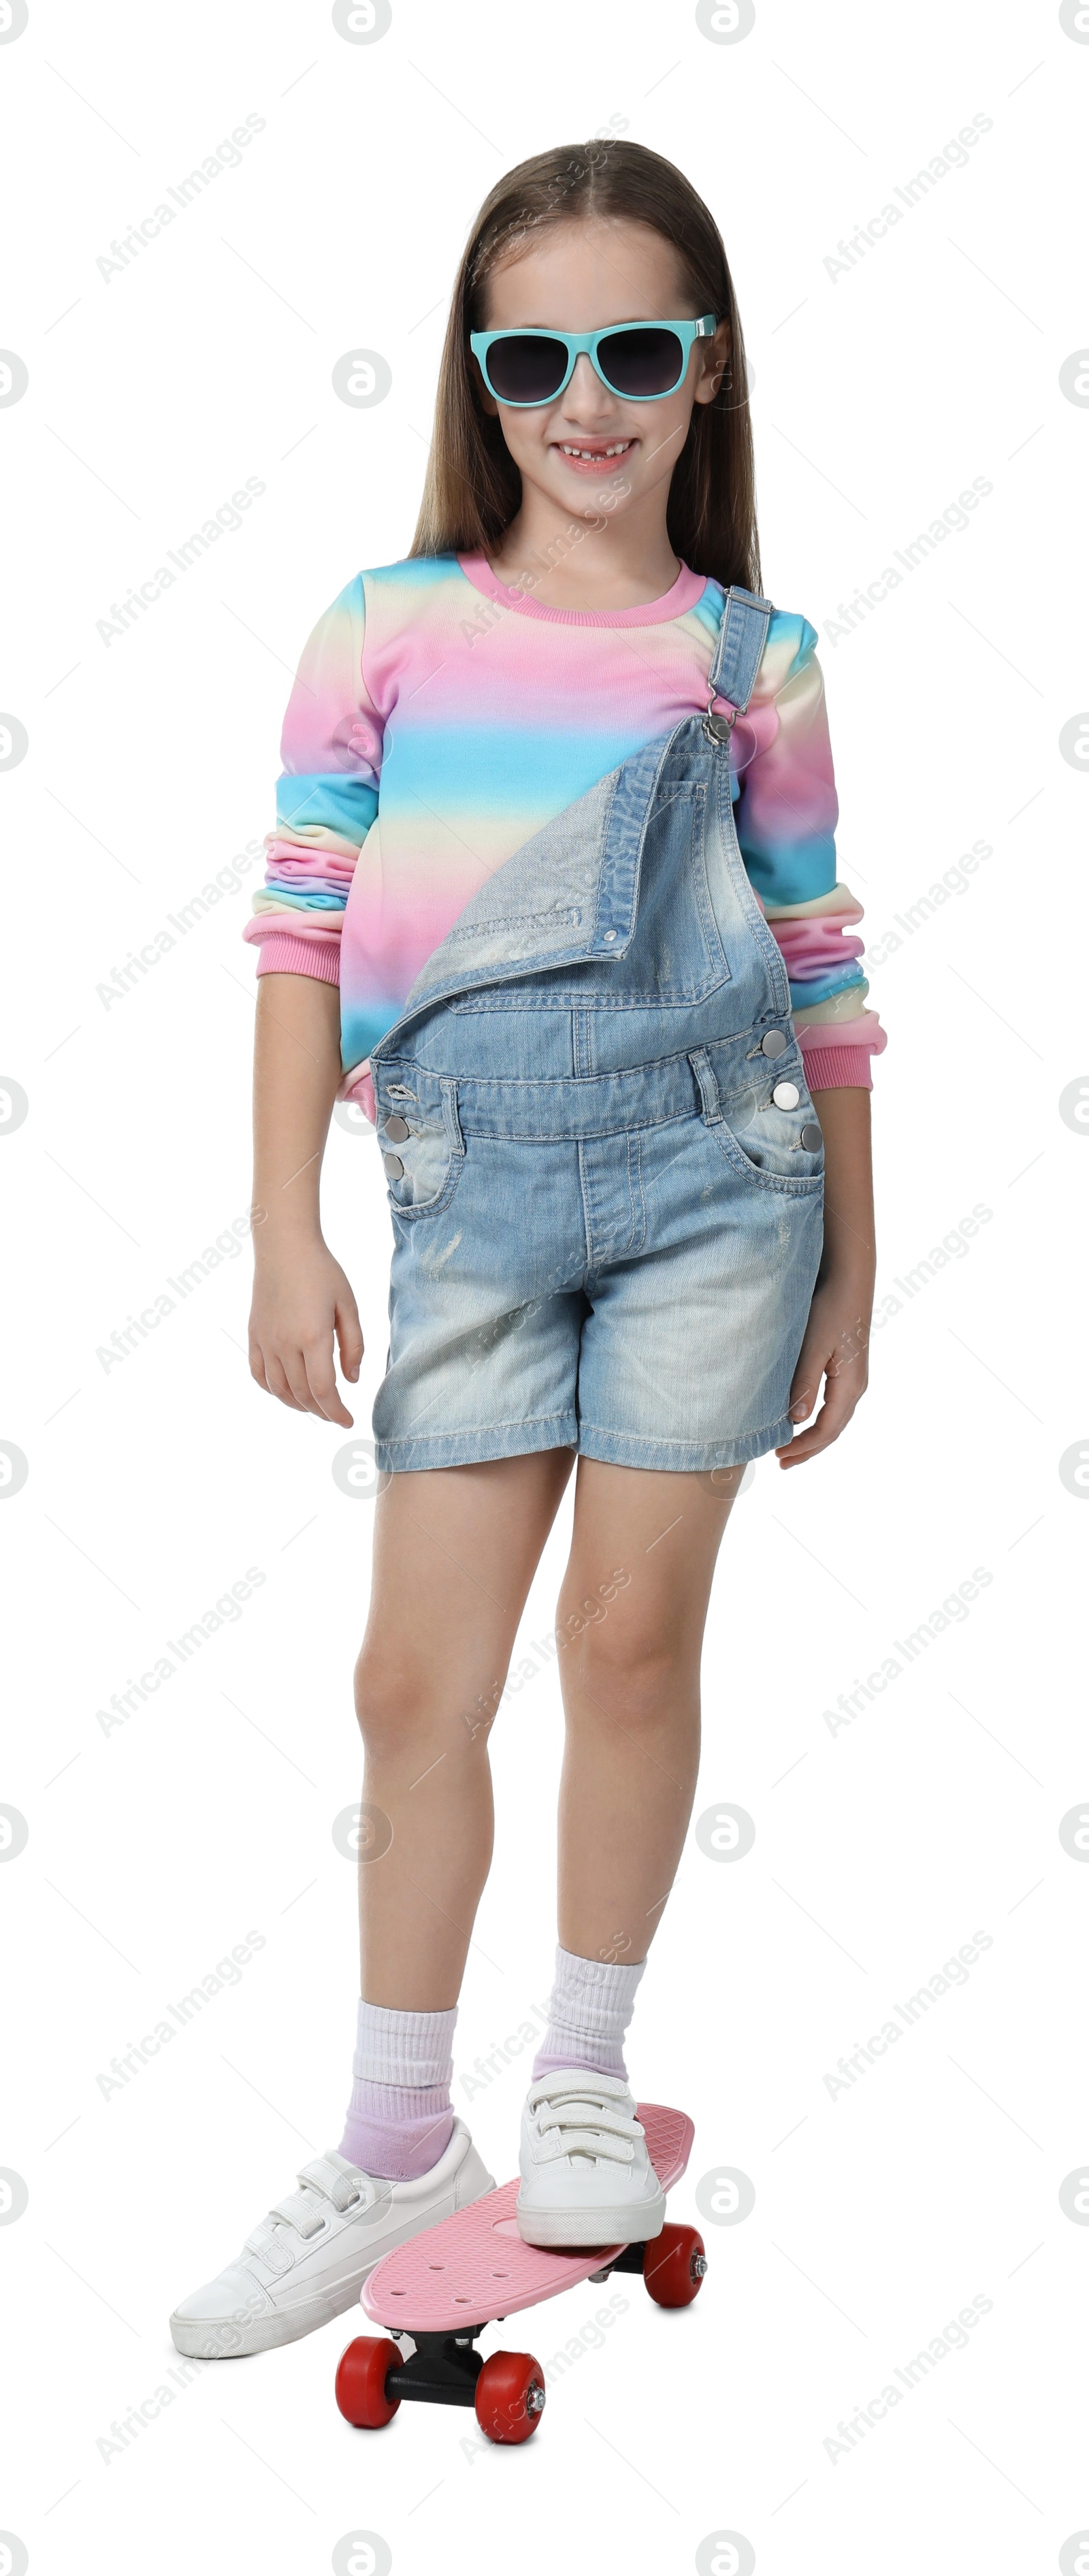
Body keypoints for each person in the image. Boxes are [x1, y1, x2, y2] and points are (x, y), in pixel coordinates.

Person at [170, 137, 884, 2360]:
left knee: (630, 1644)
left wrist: (860, 1266)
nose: (588, 399)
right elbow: (296, 937)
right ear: (481, 379)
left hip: (711, 1192)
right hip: (462, 1203)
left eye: (635, 351)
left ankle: (578, 2077)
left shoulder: (748, 656)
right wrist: (281, 1227)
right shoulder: (383, 629)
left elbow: (824, 962)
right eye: (536, 355)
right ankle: (402, 2132)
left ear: (704, 374)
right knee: (413, 1680)